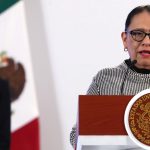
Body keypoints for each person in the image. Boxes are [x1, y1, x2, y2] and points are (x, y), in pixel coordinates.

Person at [70, 5, 150, 149]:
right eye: (138, 33)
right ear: (125, 39)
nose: (146, 42)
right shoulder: (104, 79)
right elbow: (76, 135)